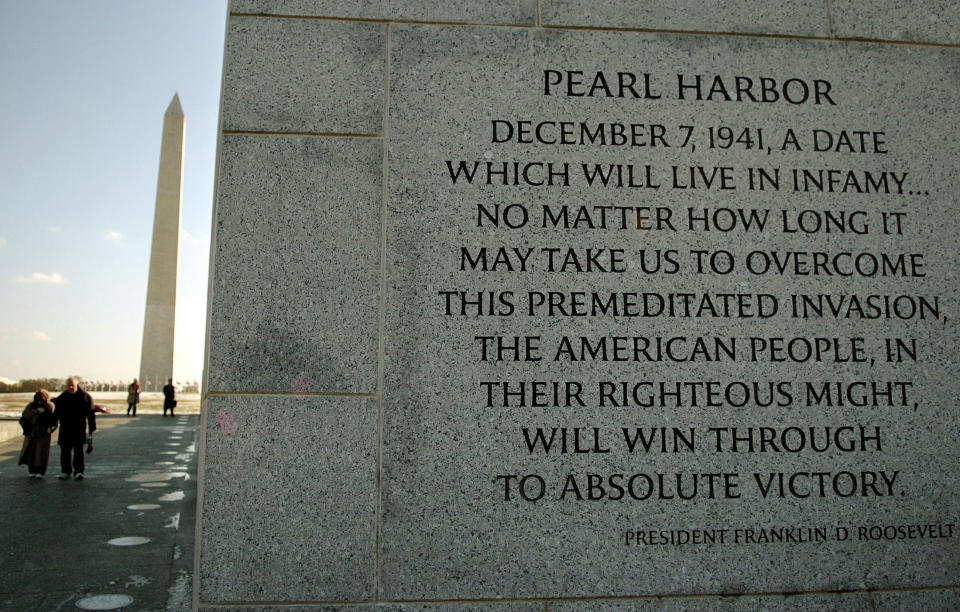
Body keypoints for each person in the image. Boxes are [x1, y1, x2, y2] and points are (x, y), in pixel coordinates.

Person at [53, 377, 96, 480]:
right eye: (69, 386)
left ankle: (79, 471)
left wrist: (91, 429)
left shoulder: (85, 397)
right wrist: (52, 425)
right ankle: (65, 471)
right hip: (65, 428)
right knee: (65, 451)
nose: (71, 387)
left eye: (73, 385)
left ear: (77, 385)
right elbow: (56, 414)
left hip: (79, 428)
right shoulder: (62, 398)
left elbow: (91, 415)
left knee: (78, 451)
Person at [18, 390, 57, 478]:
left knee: (41, 453)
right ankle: (32, 470)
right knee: (31, 452)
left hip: (43, 433)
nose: (39, 400)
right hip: (31, 432)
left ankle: (40, 471)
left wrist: (50, 429)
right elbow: (24, 416)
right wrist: (33, 412)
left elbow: (53, 420)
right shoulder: (31, 406)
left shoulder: (49, 407)